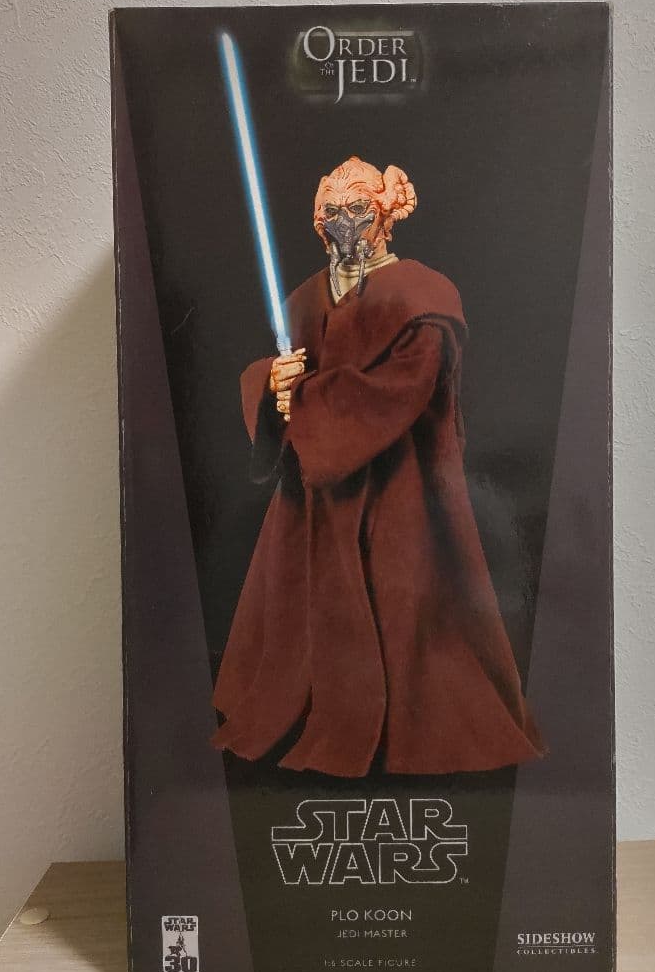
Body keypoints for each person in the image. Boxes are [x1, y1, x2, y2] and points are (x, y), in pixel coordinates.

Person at [211, 156, 545, 777]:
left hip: (401, 488)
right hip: (316, 498)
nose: (345, 224)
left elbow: (402, 388)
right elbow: (279, 373)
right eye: (332, 212)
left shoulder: (424, 296)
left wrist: (301, 400)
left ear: (385, 214)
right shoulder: (306, 296)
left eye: (358, 210)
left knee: (412, 620)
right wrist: (272, 382)